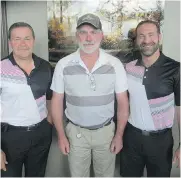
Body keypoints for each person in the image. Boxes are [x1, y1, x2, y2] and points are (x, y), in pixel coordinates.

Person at [51, 13, 129, 177]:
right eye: (83, 32)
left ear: (101, 35)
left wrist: (119, 135)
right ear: (76, 35)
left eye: (93, 32)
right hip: (75, 134)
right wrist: (61, 135)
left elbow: (123, 102)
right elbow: (56, 101)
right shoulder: (63, 65)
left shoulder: (114, 65)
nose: (88, 37)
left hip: (106, 133)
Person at [120, 20, 180, 177]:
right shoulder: (128, 68)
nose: (146, 40)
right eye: (141, 36)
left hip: (161, 141)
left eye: (151, 35)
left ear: (159, 37)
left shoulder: (175, 69)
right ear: (136, 40)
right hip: (131, 137)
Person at [0, 22, 53, 177]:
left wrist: (48, 125)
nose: (23, 44)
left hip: (40, 135)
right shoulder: (1, 68)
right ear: (10, 42)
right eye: (17, 39)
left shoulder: (45, 66)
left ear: (33, 41)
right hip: (9, 138)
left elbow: (49, 98)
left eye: (27, 38)